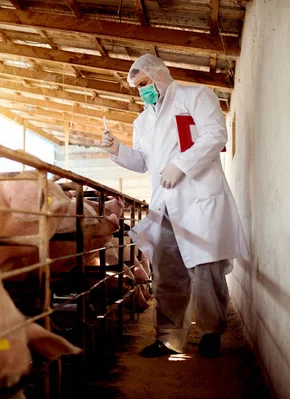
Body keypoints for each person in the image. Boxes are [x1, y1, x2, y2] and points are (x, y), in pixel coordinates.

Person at [101, 54, 249, 358]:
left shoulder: (196, 96)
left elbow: (215, 134)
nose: (142, 91)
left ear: (159, 74)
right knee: (168, 273)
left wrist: (180, 165)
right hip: (164, 205)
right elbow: (142, 162)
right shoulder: (141, 121)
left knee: (206, 269)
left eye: (143, 83)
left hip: (198, 201)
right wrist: (117, 150)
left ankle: (210, 332)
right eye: (137, 87)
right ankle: (168, 339)